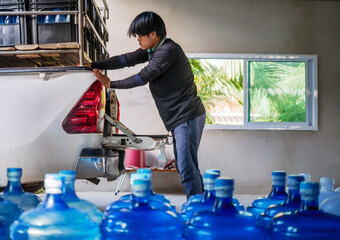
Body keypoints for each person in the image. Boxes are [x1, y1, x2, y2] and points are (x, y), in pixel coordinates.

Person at [87, 11, 206, 198]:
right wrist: (93, 64)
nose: (138, 39)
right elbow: (126, 59)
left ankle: (198, 208)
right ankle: (201, 204)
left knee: (185, 166)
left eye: (141, 35)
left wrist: (111, 84)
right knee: (188, 166)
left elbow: (142, 77)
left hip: (187, 116)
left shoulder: (168, 51)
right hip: (180, 118)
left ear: (153, 34)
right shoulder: (154, 50)